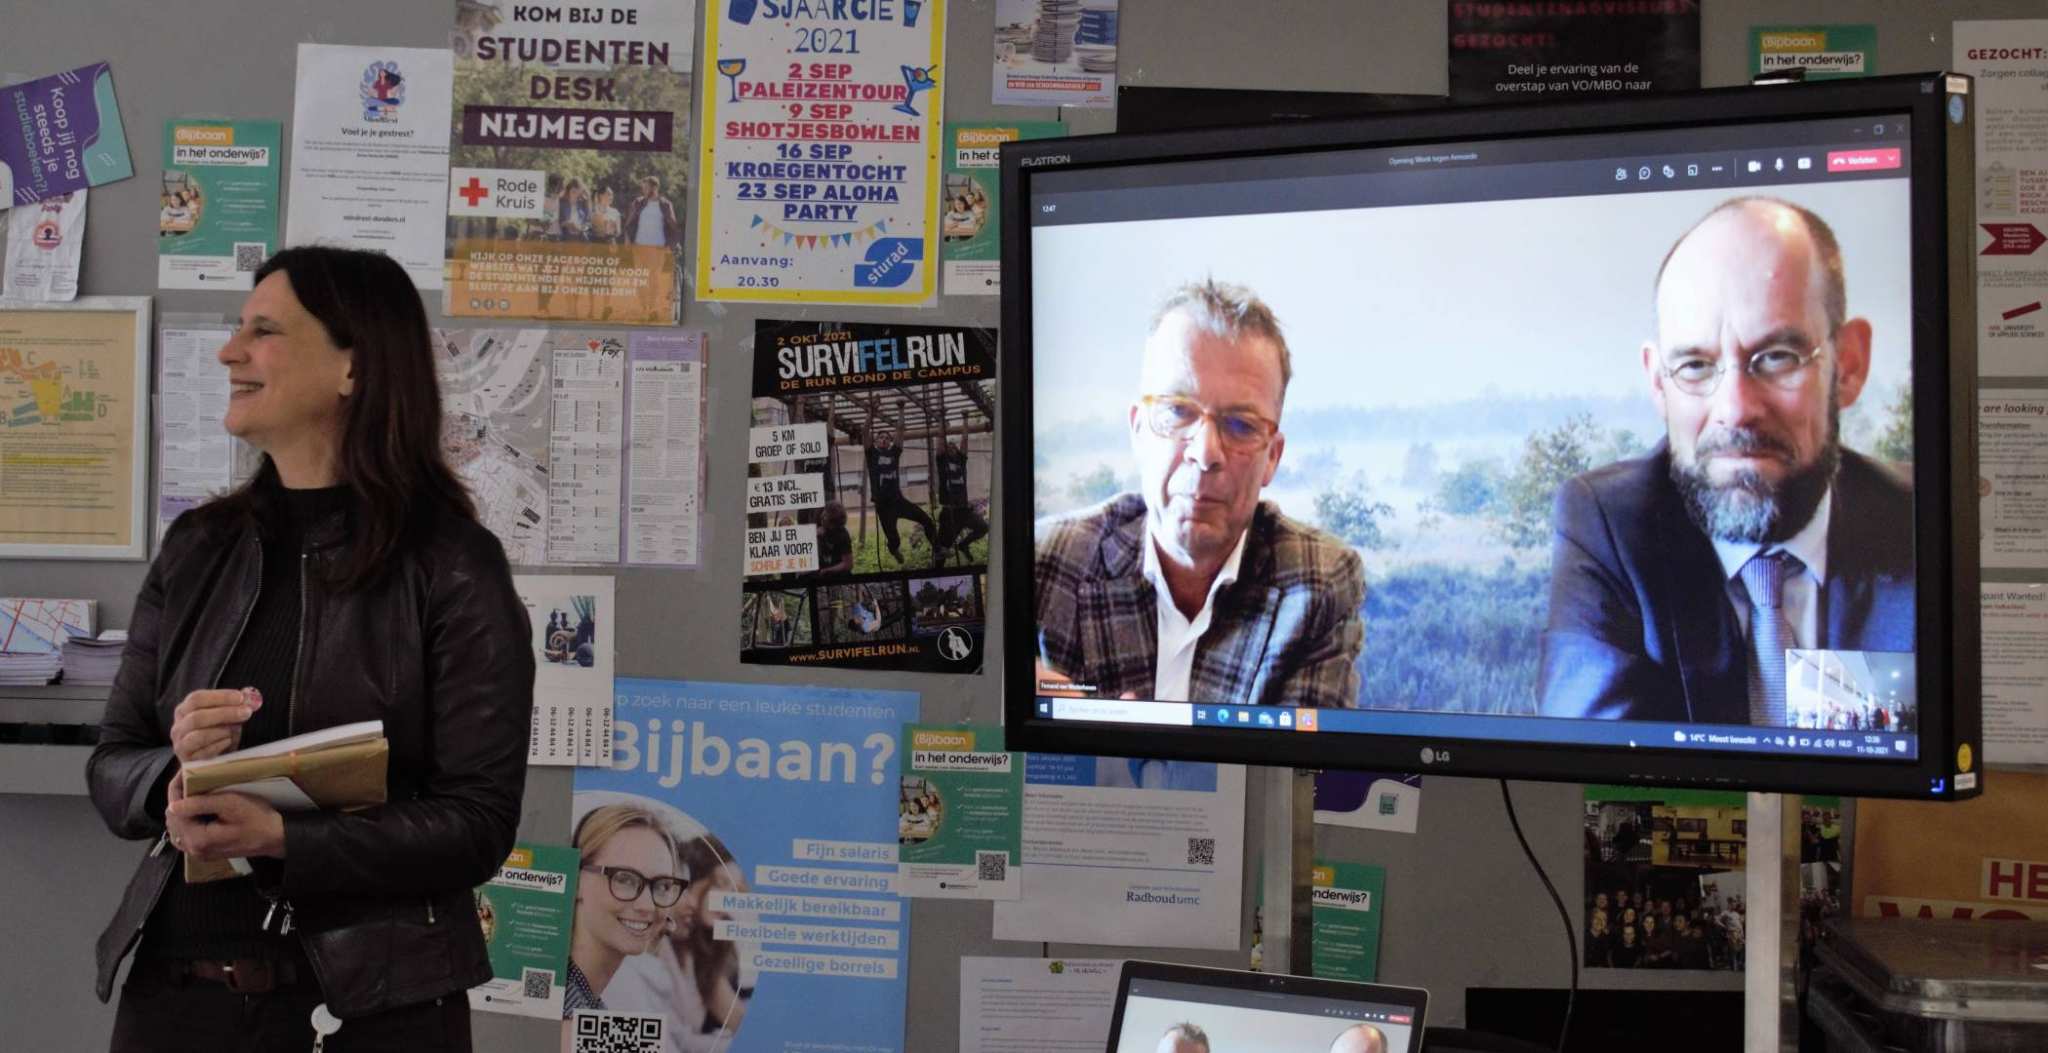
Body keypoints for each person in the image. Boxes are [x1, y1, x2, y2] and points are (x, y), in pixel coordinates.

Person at [88, 246, 533, 1052]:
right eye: (238, 330)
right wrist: (176, 773)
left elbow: (478, 822)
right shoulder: (196, 548)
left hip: (372, 1011)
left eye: (264, 331)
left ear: (352, 369)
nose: (230, 351)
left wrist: (283, 837)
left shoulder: (453, 565)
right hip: (177, 1001)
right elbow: (113, 765)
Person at [1541, 197, 1912, 726]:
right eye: (1695, 366)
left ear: (1848, 365)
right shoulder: (1610, 525)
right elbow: (1592, 764)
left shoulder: (1922, 525)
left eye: (1777, 357)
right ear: (1658, 383)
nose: (1736, 408)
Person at [1035, 278, 1365, 708]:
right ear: (1138, 430)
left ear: (1272, 458)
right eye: (1177, 411)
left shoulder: (1317, 584)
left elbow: (1293, 770)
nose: (1205, 453)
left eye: (1241, 425)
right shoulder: (1047, 559)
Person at [566, 805, 685, 1018]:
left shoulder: (585, 1003)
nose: (647, 906)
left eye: (663, 885)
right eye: (624, 879)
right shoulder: (559, 1009)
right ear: (576, 880)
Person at [865, 426, 941, 566]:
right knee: (894, 540)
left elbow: (900, 435)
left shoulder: (893, 453)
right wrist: (870, 411)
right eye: (881, 437)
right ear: (876, 441)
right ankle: (894, 550)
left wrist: (901, 409)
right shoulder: (872, 455)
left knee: (927, 520)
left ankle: (938, 550)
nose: (884, 440)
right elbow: (865, 431)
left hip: (898, 501)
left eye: (887, 438)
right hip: (883, 507)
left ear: (890, 443)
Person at [934, 434, 988, 566]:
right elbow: (939, 445)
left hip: (964, 511)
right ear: (945, 451)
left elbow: (964, 443)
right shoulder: (942, 463)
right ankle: (936, 573)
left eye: (954, 446)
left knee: (983, 527)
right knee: (942, 553)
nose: (952, 447)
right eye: (948, 447)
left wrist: (965, 419)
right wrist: (941, 419)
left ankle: (963, 545)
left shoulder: (961, 462)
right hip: (949, 513)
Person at [816, 501, 855, 576]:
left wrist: (827, 570)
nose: (822, 517)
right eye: (823, 513)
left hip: (838, 576)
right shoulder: (820, 529)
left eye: (825, 516)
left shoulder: (842, 535)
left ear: (832, 524)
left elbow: (848, 564)